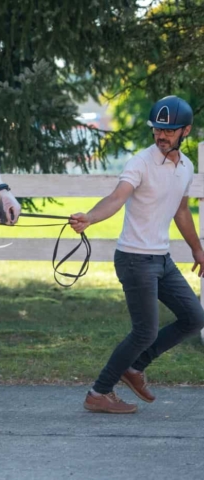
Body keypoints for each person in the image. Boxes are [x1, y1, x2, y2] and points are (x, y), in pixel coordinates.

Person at [70, 95, 204, 414]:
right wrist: (90, 216)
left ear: (185, 131)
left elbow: (181, 210)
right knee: (146, 330)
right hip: (134, 258)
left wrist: (198, 249)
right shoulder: (140, 163)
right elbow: (118, 197)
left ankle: (134, 368)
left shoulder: (186, 167)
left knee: (195, 317)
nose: (161, 135)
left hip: (162, 259)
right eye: (157, 129)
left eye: (169, 131)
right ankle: (98, 392)